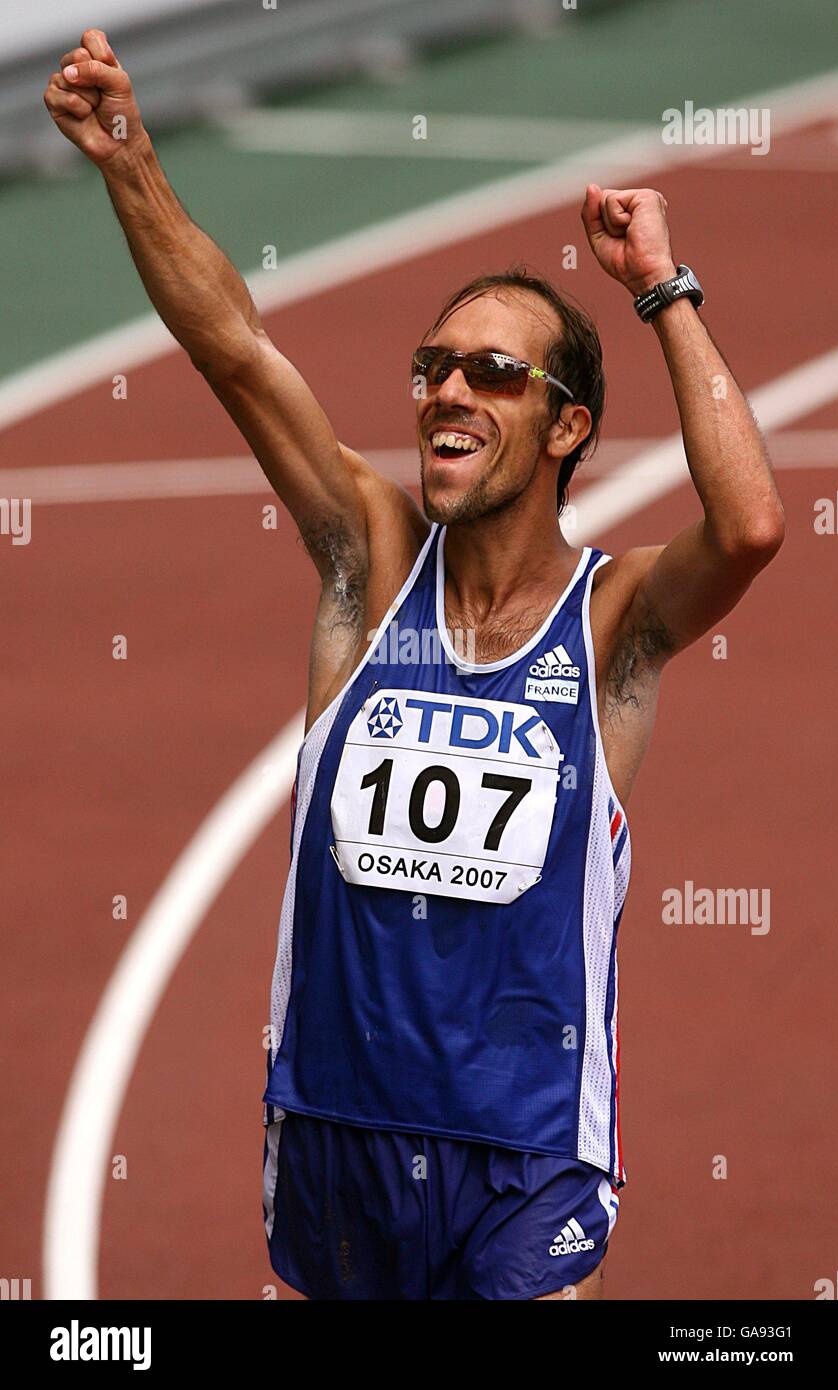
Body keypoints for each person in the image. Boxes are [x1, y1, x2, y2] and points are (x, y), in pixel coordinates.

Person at [44, 31, 785, 1301]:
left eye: (493, 372)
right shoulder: (371, 566)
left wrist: (663, 289)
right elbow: (237, 352)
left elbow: (751, 526)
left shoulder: (612, 628)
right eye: (432, 366)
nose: (448, 389)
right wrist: (132, 165)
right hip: (338, 1132)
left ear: (566, 427)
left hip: (526, 1159)